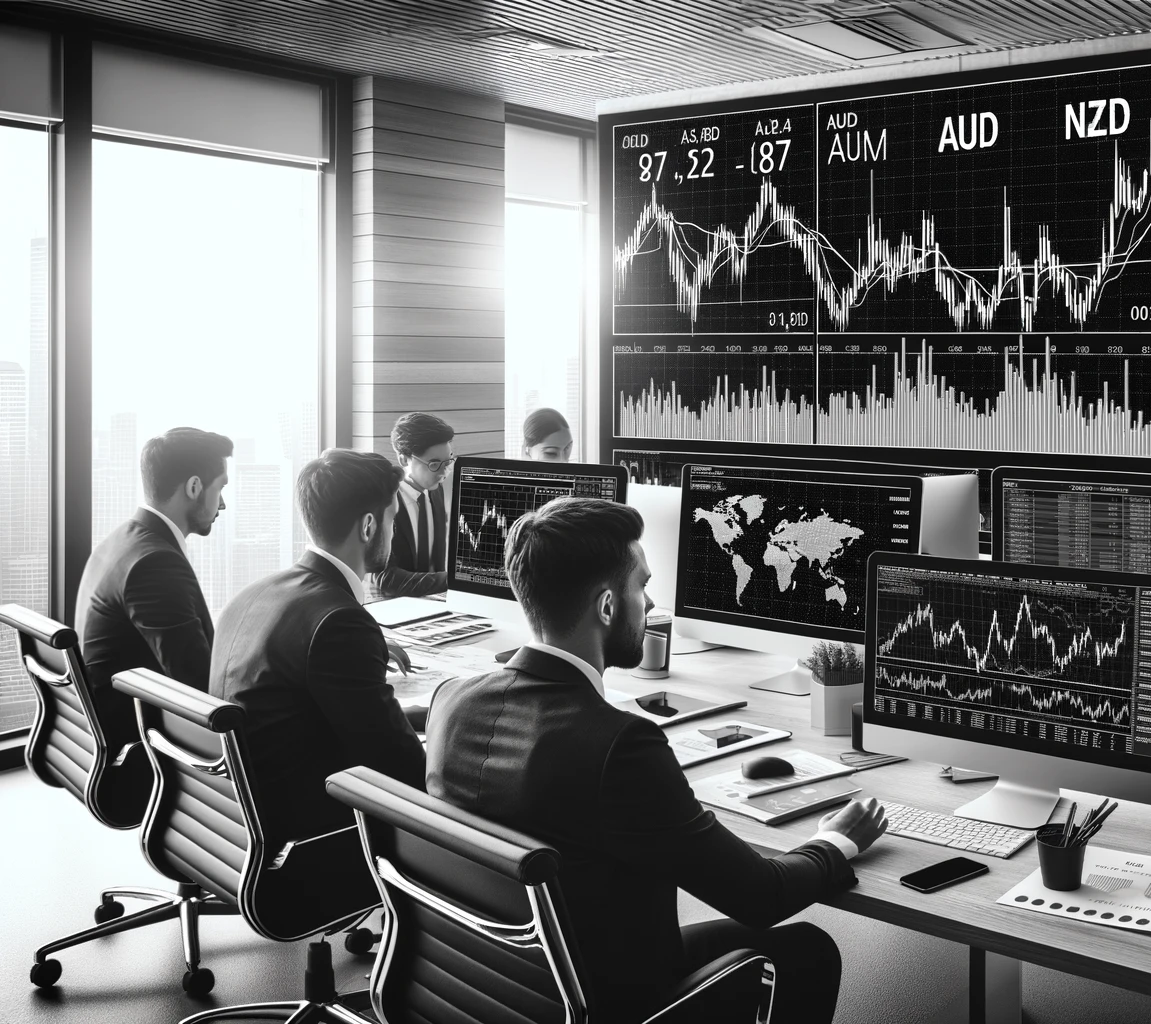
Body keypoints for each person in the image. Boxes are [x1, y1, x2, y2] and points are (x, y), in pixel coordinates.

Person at [426, 497, 884, 1023]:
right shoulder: (619, 744)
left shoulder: (452, 698)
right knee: (807, 947)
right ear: (606, 606)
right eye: (641, 586)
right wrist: (837, 840)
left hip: (495, 981)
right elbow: (761, 896)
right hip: (604, 997)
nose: (650, 602)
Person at [212, 448, 424, 854]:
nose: (393, 532)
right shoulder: (340, 621)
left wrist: (427, 715)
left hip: (231, 824)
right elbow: (400, 768)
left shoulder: (252, 593)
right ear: (368, 526)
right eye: (393, 519)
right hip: (309, 844)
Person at [76, 428, 231, 747]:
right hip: (141, 747)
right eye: (220, 488)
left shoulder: (121, 541)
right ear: (194, 487)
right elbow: (201, 688)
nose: (224, 504)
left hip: (111, 728)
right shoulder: (156, 563)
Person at [368, 412, 454, 599]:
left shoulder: (435, 489)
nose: (444, 472)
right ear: (404, 459)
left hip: (438, 603)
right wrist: (454, 580)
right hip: (397, 607)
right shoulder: (384, 503)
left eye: (448, 461)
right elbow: (385, 577)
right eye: (434, 464)